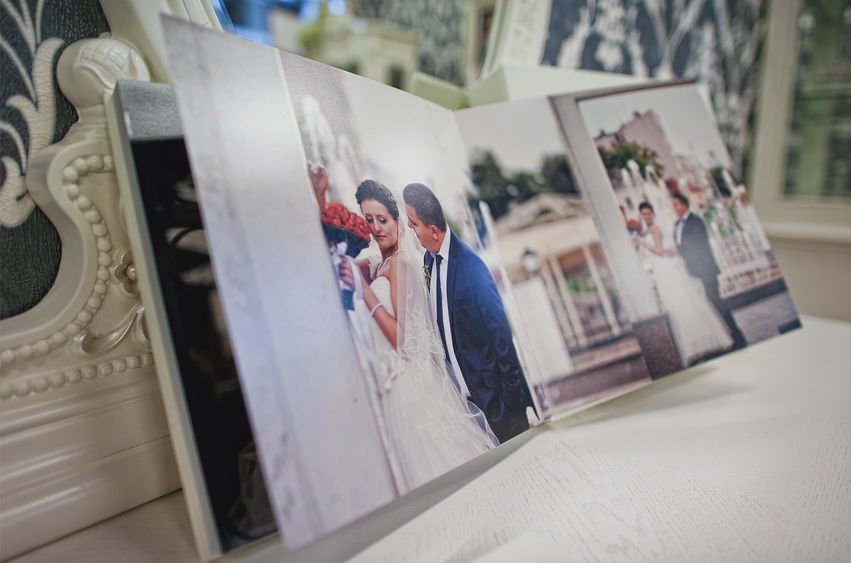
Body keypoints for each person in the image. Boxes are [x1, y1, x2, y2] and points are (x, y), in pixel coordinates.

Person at [311, 165, 497, 494]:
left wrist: (364, 291)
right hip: (388, 381)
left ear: (397, 220)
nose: (376, 227)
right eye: (368, 220)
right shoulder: (376, 262)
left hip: (409, 387)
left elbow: (400, 339)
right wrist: (320, 194)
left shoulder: (400, 264)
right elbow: (327, 249)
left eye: (382, 219)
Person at [402, 183, 534, 443]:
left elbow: (502, 338)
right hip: (464, 411)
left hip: (496, 407)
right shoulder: (428, 261)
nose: (409, 228)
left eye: (413, 223)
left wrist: (510, 405)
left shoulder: (474, 269)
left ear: (433, 230)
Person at [637, 201, 733, 365]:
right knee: (677, 306)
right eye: (643, 214)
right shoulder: (647, 230)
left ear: (653, 214)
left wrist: (643, 242)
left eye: (648, 213)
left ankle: (703, 341)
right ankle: (695, 343)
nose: (646, 217)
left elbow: (659, 252)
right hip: (662, 272)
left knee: (684, 303)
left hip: (667, 270)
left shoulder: (655, 229)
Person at [670, 193, 747, 350]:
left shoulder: (695, 221)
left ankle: (737, 334)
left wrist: (677, 250)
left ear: (685, 205)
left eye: (676, 204)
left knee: (716, 300)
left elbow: (697, 243)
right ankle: (726, 334)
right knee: (709, 303)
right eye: (673, 205)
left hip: (706, 268)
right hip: (693, 271)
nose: (674, 208)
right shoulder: (678, 224)